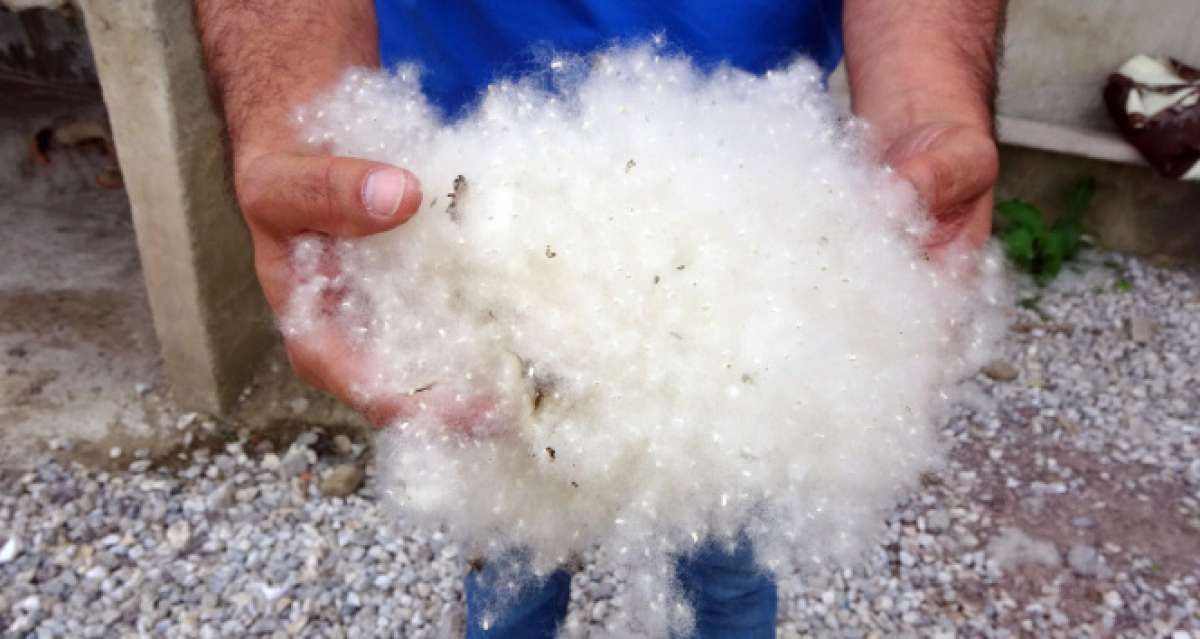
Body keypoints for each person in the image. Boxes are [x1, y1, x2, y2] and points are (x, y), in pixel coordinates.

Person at [196, 2, 1005, 636]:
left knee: (722, 550)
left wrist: (924, 97)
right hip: (467, 235)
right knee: (512, 550)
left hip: (745, 259)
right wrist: (299, 109)